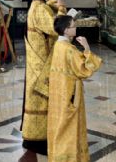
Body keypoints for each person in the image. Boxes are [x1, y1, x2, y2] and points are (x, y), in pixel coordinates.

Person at [20, 0, 67, 160]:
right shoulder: (40, 8)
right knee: (41, 100)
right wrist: (61, 9)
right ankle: (38, 142)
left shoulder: (40, 6)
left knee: (39, 100)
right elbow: (56, 28)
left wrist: (53, 7)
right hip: (42, 63)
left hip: (39, 61)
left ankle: (38, 139)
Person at [47, 15, 102, 162]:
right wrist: (87, 48)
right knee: (69, 126)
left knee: (60, 125)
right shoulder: (69, 49)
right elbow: (85, 69)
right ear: (66, 30)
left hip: (59, 94)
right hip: (70, 94)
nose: (76, 28)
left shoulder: (58, 45)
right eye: (73, 26)